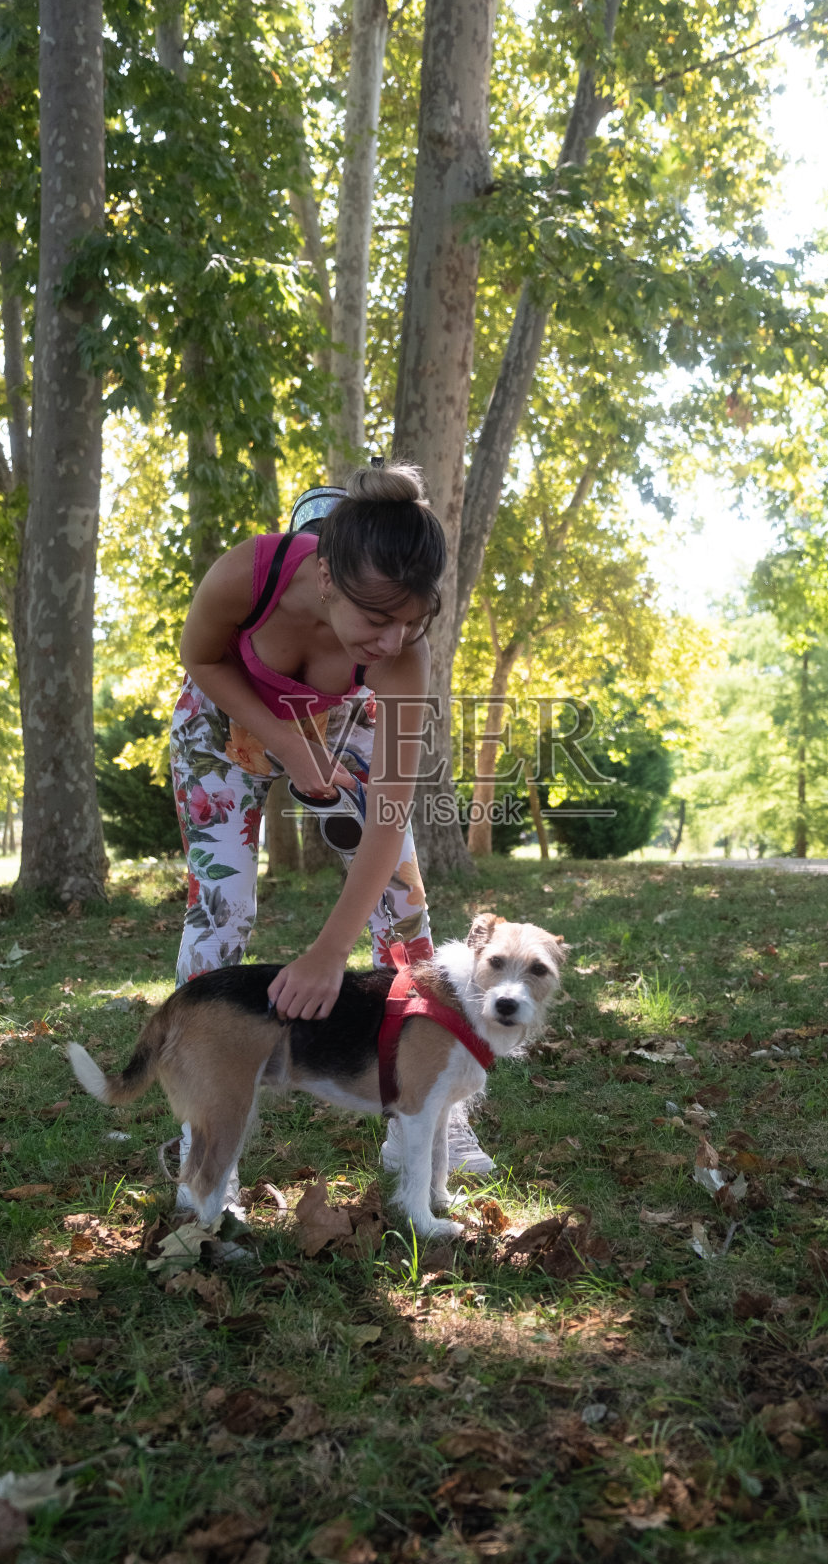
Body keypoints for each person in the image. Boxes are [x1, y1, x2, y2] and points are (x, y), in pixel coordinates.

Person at [169, 460, 492, 1216]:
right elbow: (201, 656)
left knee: (403, 906)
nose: (393, 639)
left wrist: (327, 953)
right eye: (376, 620)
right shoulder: (248, 574)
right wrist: (284, 739)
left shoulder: (400, 656)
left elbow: (389, 817)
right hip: (222, 722)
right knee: (220, 912)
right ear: (325, 579)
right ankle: (202, 1137)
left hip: (341, 727)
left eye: (411, 620)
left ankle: (423, 1107)